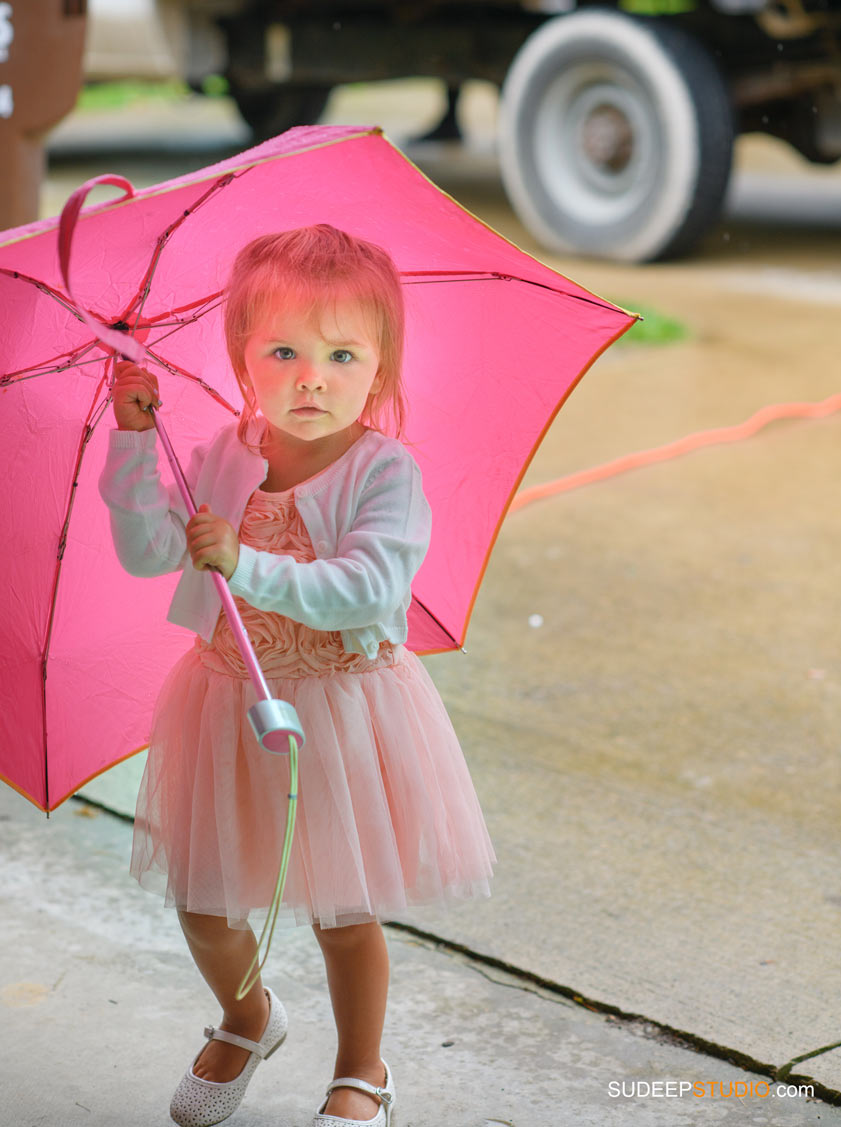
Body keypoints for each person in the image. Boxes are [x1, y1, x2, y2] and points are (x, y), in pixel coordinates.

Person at [97, 224, 495, 1127]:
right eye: (283, 350)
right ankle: (248, 1016)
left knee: (340, 909)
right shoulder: (222, 454)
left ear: (382, 368)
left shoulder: (384, 472)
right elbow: (148, 548)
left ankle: (363, 1071)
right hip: (227, 702)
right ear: (242, 356)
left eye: (342, 354)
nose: (311, 376)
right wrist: (133, 444)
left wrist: (246, 565)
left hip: (337, 712)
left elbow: (368, 587)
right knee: (203, 899)